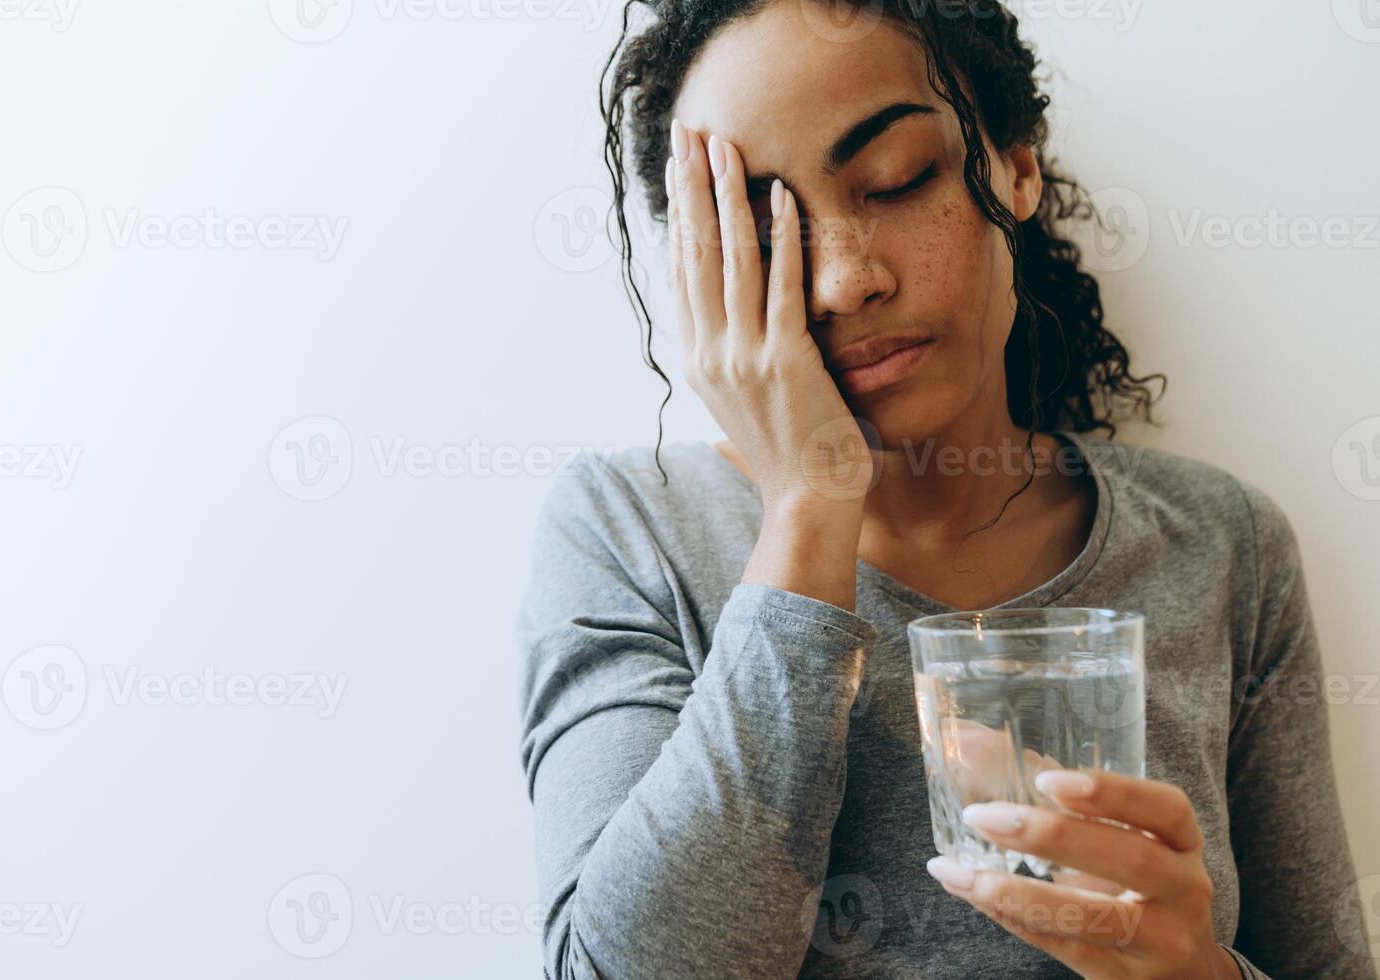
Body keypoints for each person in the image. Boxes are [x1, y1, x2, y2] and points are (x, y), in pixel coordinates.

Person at [517, 1, 1376, 976]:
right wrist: (809, 505)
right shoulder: (633, 533)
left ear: (1014, 166)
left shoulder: (1223, 543)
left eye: (894, 181)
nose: (845, 280)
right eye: (768, 225)